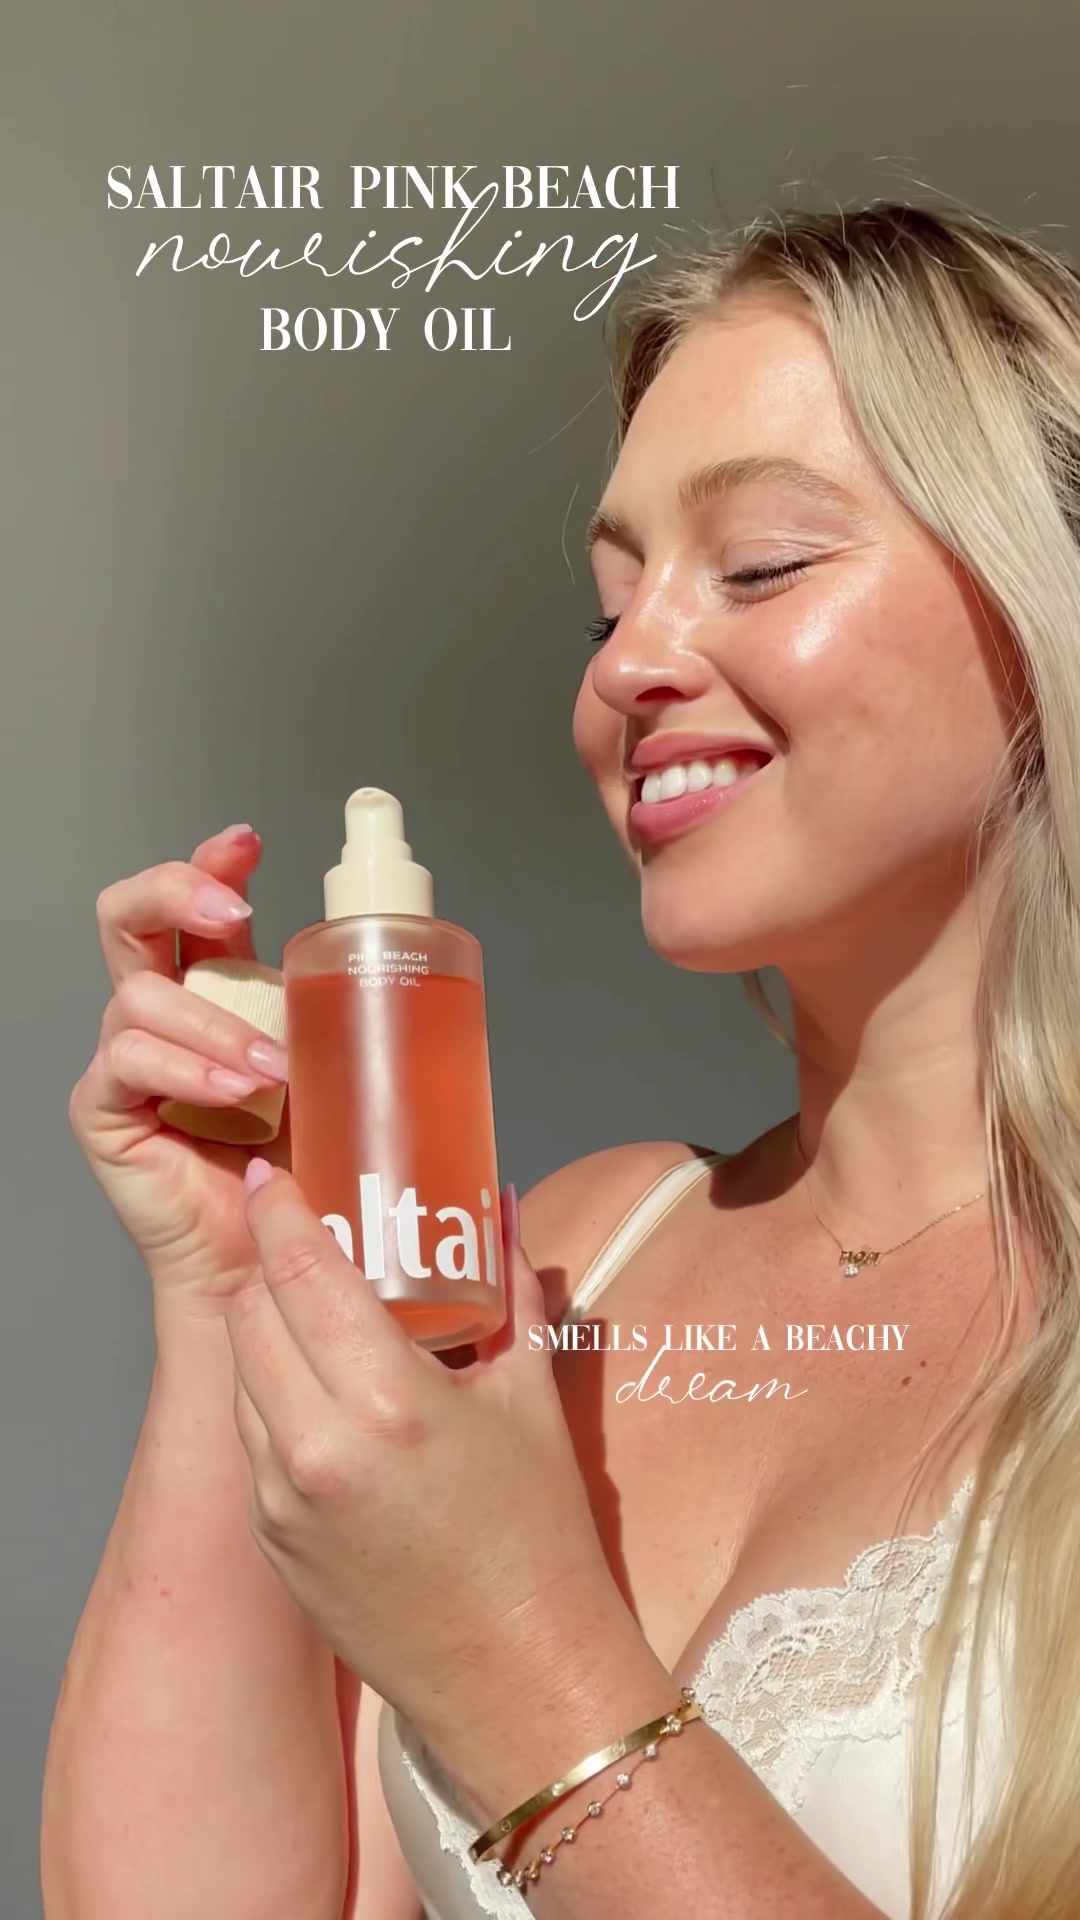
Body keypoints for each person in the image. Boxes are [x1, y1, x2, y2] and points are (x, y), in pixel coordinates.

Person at [40, 199, 1080, 1920]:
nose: (631, 670)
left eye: (760, 565)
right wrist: (235, 1285)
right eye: (608, 612)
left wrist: (511, 1651)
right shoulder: (570, 1274)